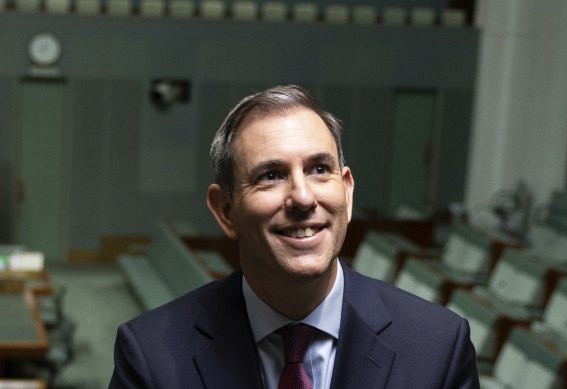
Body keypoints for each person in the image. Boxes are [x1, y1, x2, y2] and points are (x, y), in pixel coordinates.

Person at [109, 85, 479, 388]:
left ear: (347, 193)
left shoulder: (438, 347)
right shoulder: (151, 356)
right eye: (270, 175)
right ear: (225, 211)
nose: (303, 197)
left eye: (319, 169)